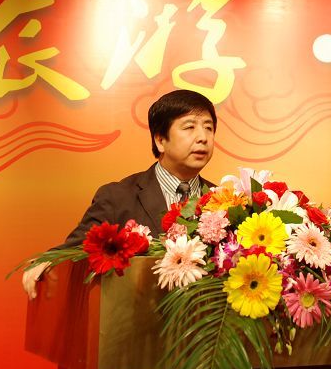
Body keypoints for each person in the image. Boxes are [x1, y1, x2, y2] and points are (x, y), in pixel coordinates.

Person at [22, 89, 216, 299]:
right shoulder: (117, 197)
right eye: (189, 127)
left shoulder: (222, 201)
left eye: (208, 128)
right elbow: (77, 248)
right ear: (160, 140)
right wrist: (48, 260)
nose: (203, 138)